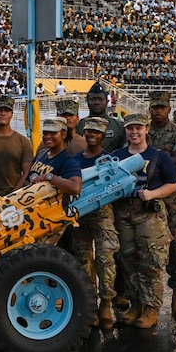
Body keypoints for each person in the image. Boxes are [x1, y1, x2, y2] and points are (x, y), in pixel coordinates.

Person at [112, 114, 176, 329]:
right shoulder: (117, 156)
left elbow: (171, 184)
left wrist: (152, 194)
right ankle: (135, 304)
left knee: (151, 260)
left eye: (138, 128)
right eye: (130, 128)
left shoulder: (159, 156)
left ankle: (151, 308)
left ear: (146, 129)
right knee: (128, 260)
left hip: (149, 214)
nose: (134, 132)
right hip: (123, 213)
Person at [147, 90, 176, 322]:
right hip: (146, 202)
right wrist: (163, 157)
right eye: (154, 107)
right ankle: (149, 303)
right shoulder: (140, 131)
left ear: (168, 108)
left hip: (173, 203)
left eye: (162, 107)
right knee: (147, 252)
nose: (158, 111)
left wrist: (145, 160)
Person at [72, 117, 119, 330]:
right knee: (83, 261)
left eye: (96, 132)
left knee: (105, 258)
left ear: (103, 135)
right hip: (80, 216)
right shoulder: (75, 160)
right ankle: (90, 306)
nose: (91, 135)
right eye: (88, 131)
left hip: (102, 214)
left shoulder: (109, 159)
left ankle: (106, 304)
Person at [26, 117, 82, 196]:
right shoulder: (41, 154)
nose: (47, 136)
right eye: (45, 133)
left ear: (64, 134)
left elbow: (75, 188)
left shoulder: (67, 161)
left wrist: (49, 177)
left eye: (53, 133)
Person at [76, 82, 125, 152]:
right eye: (93, 99)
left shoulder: (119, 126)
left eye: (100, 99)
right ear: (87, 101)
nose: (97, 102)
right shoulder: (79, 125)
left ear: (107, 102)